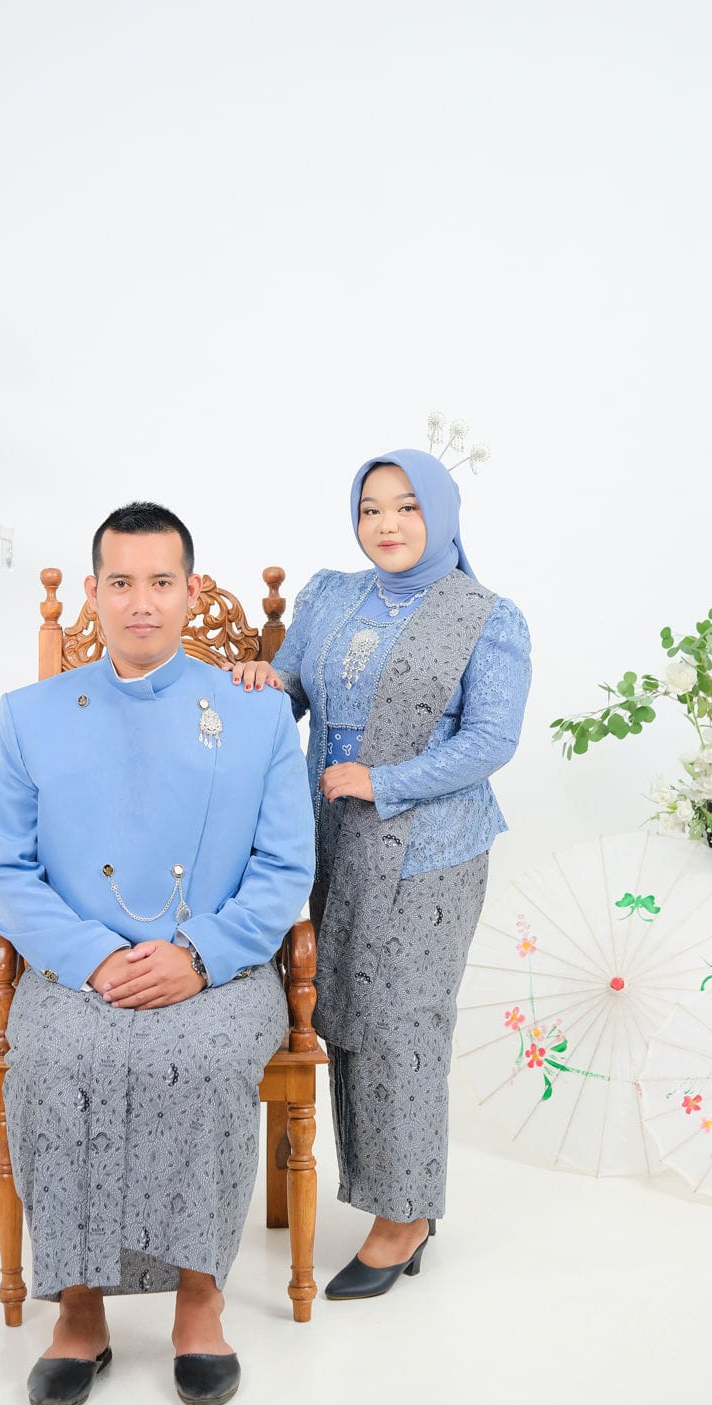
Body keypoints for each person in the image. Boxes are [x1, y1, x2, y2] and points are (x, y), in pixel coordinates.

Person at [0, 502, 314, 1405]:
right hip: (73, 965)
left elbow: (285, 866)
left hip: (224, 964)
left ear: (190, 590)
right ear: (92, 592)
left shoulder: (255, 713)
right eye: (120, 582)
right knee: (56, 1059)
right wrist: (91, 957)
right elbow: (2, 869)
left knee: (199, 1058)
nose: (141, 602)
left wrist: (200, 956)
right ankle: (79, 1309)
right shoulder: (28, 716)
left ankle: (199, 1300)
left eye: (161, 582)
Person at [227, 450, 530, 1299]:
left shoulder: (485, 616)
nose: (387, 524)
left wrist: (384, 780)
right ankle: (394, 1194)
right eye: (371, 508)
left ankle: (404, 1218)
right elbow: (293, 690)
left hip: (431, 850)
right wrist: (265, 677)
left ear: (442, 512)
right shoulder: (331, 595)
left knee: (405, 1019)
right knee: (349, 1012)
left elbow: (492, 739)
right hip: (336, 838)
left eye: (406, 506)